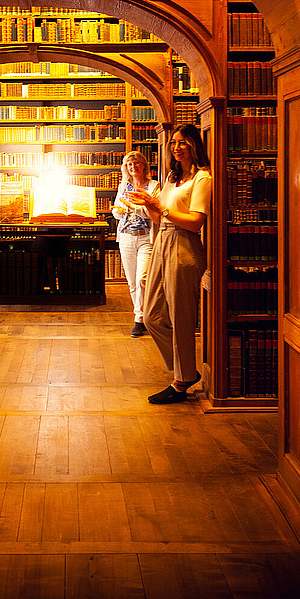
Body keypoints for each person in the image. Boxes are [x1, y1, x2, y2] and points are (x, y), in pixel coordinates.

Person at [125, 123, 212, 404]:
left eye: (182, 141)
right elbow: (159, 219)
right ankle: (184, 371)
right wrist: (149, 203)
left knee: (181, 317)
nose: (176, 146)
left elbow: (197, 221)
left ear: (194, 145)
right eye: (173, 142)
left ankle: (180, 380)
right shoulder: (172, 178)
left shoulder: (202, 178)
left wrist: (161, 207)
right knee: (151, 315)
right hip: (161, 239)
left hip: (184, 246)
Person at [111, 150, 160, 338]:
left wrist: (134, 208)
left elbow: (155, 214)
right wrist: (119, 211)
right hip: (126, 237)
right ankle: (140, 317)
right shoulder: (123, 186)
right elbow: (116, 213)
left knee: (143, 278)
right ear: (126, 168)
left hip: (146, 237)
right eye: (130, 164)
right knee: (132, 282)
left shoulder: (154, 187)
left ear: (144, 165)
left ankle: (143, 318)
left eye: (137, 163)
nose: (133, 167)